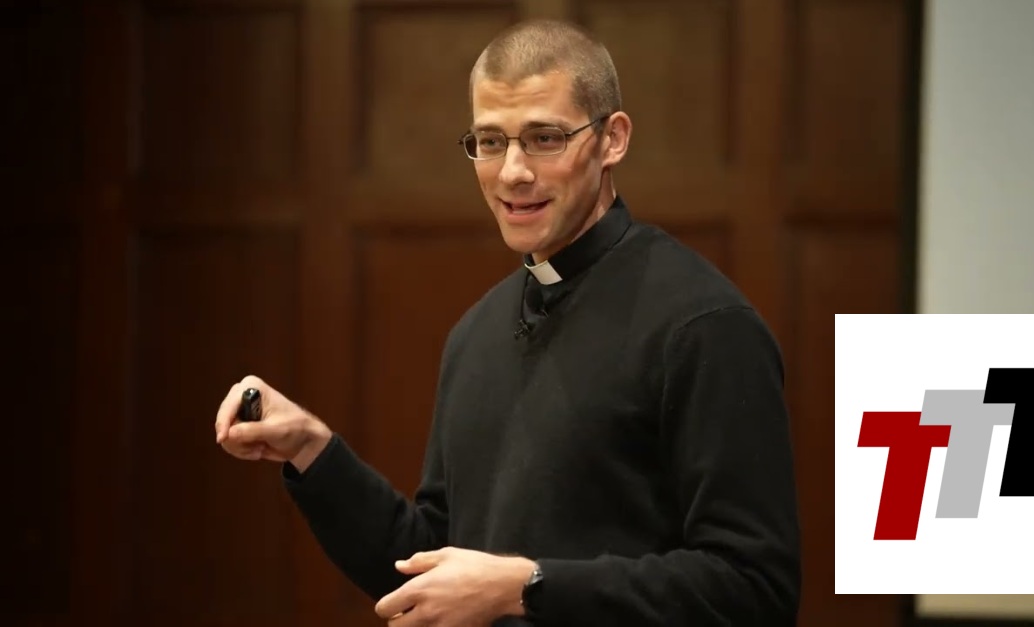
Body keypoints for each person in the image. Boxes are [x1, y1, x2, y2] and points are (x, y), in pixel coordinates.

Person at [214, 18, 801, 627]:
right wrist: (311, 450)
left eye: (545, 138)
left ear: (613, 139)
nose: (513, 172)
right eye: (490, 141)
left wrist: (529, 587)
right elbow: (432, 569)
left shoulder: (703, 325)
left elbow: (755, 588)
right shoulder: (475, 334)